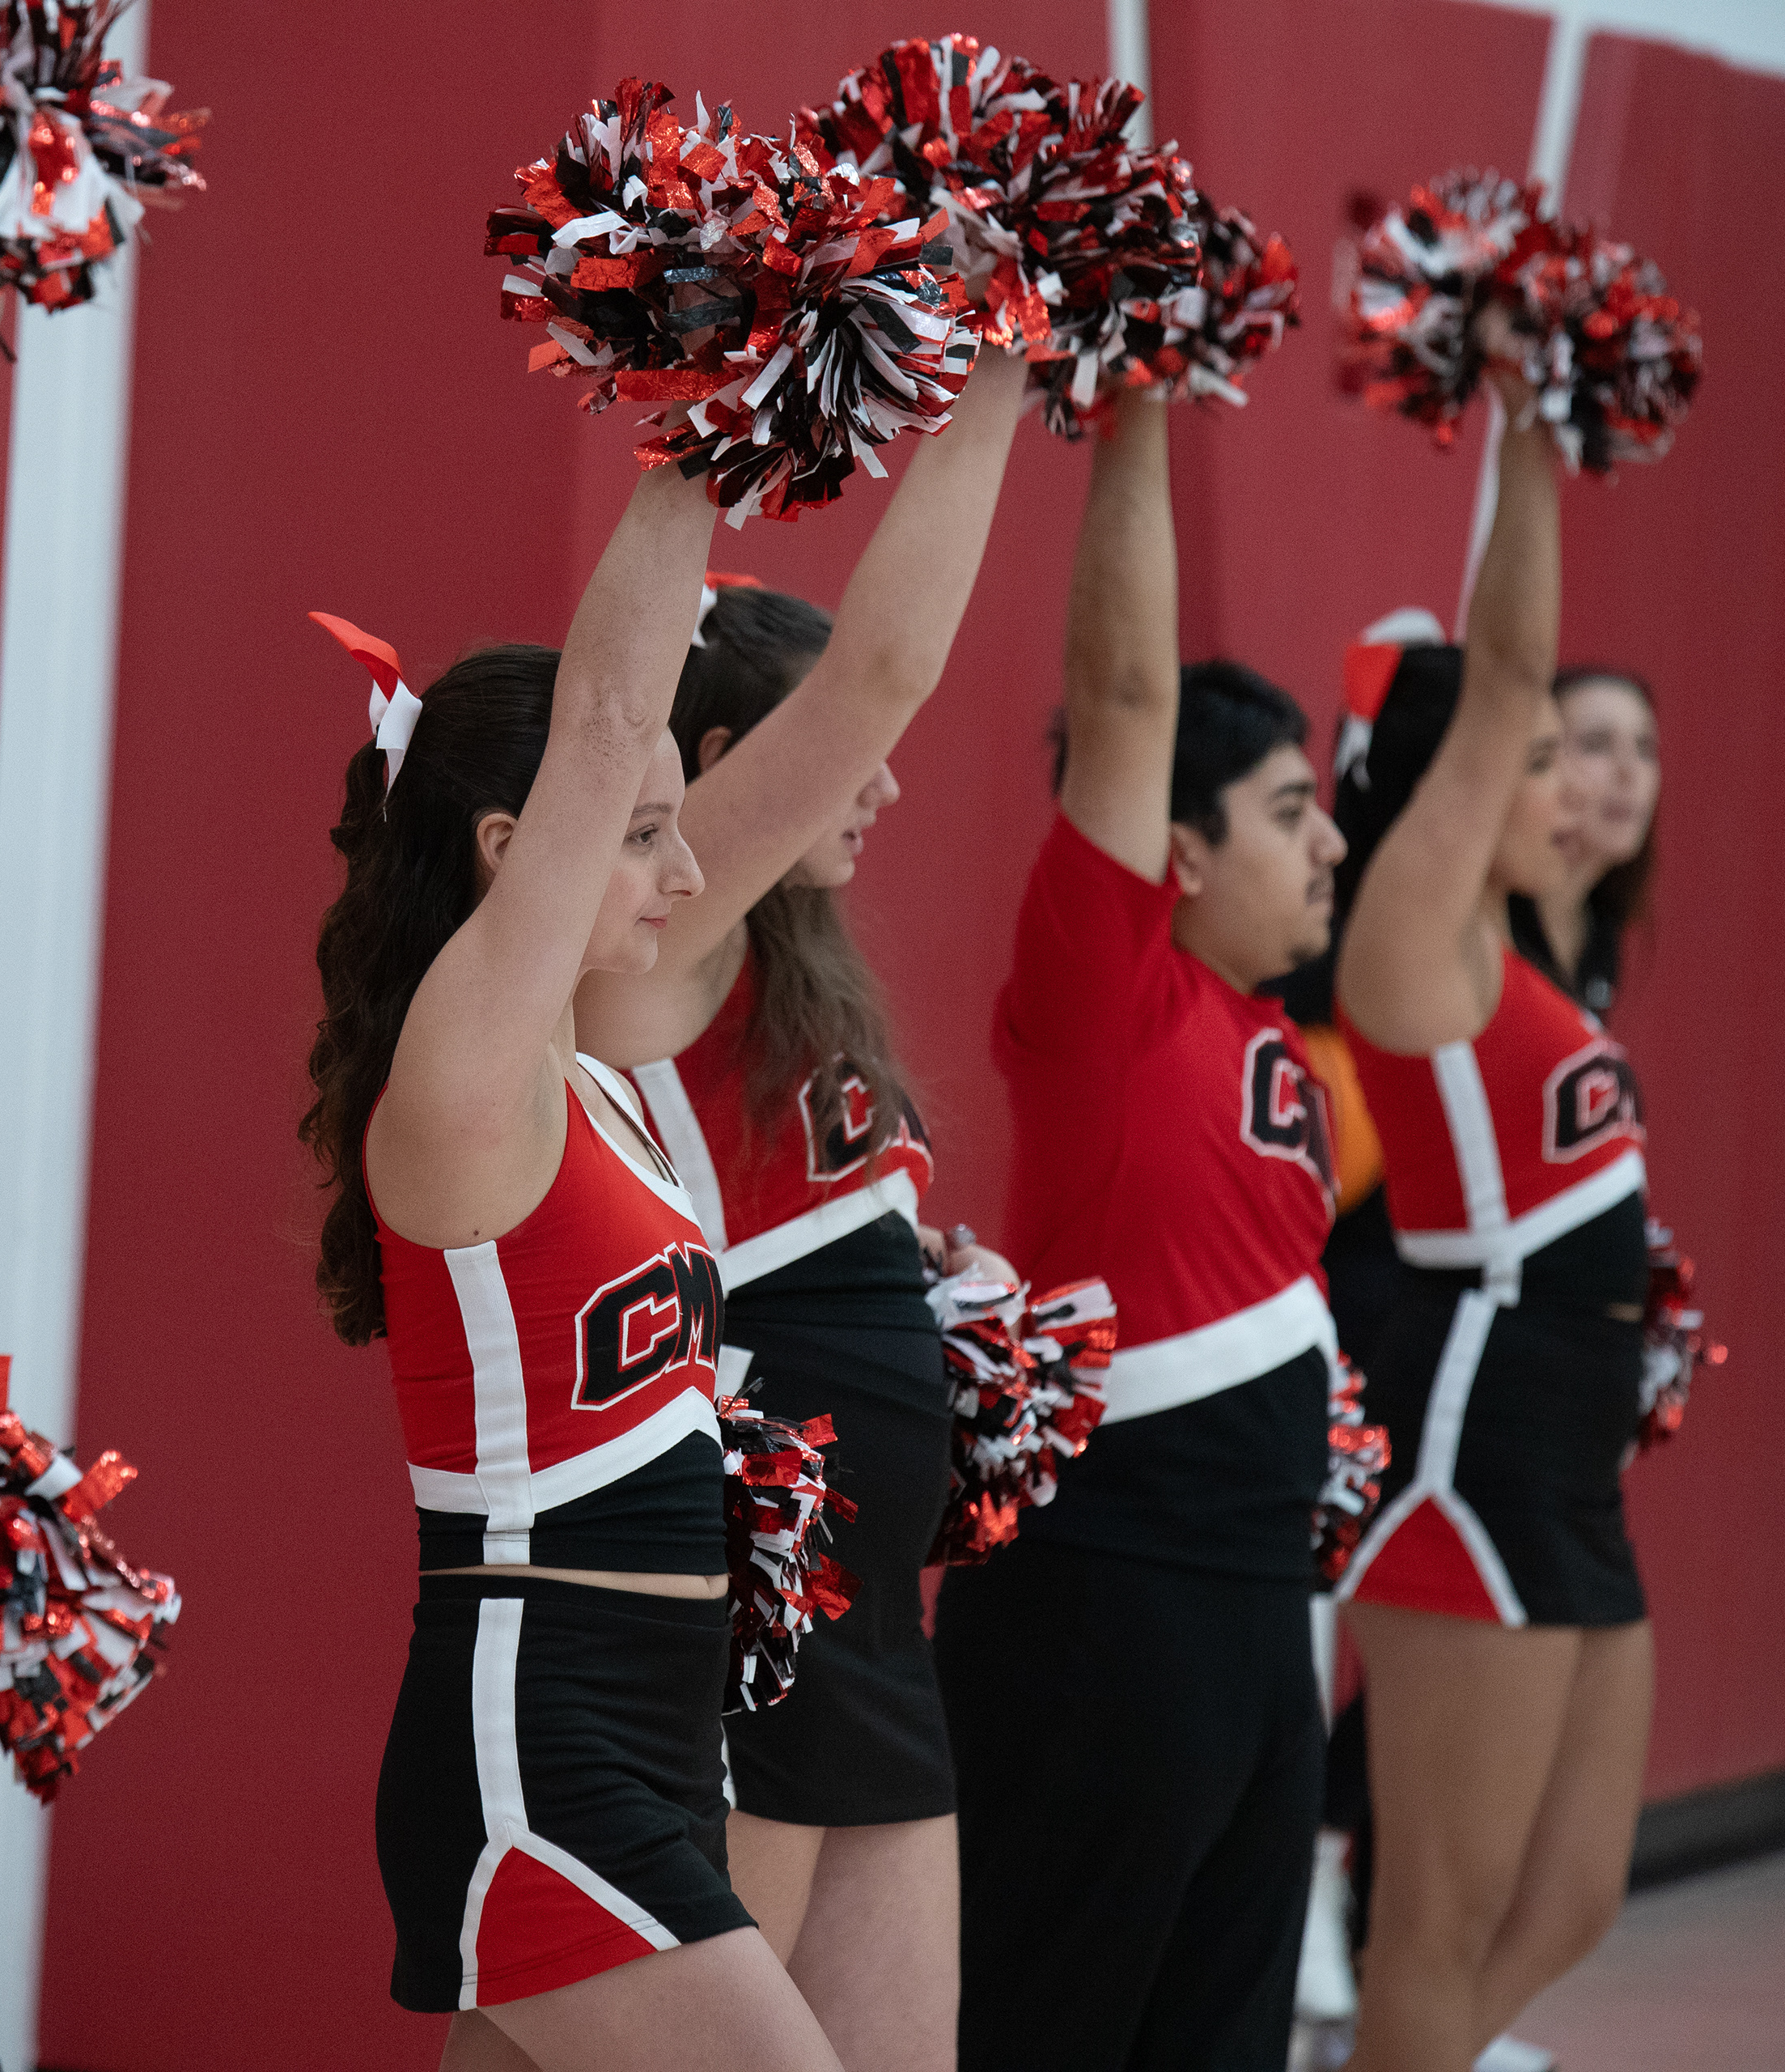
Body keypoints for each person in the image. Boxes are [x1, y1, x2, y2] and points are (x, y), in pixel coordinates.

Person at [302, 454, 854, 2072]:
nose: (688, 876)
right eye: (644, 835)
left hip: (653, 1727)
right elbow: (609, 717)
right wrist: (697, 437)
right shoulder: (466, 1077)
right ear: (513, 846)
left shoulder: (598, 1083)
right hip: (538, 1722)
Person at [567, 349, 1028, 2072]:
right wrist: (1003, 358)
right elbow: (887, 672)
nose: (881, 781)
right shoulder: (662, 951)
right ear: (716, 769)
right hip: (760, 1598)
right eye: (841, 754)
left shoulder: (801, 968)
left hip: (877, 1611)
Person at [931, 391, 1349, 2070]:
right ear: (1177, 846)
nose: (1330, 840)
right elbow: (1124, 696)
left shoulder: (1278, 1040)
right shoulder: (1107, 999)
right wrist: (1138, 401)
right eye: (1292, 808)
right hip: (1110, 1602)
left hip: (1258, 1615)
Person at [1329, 382, 1652, 2072]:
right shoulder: (1417, 935)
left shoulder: (1529, 954)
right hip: (1478, 1406)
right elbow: (1511, 667)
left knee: (1577, 1893)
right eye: (1532, 764)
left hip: (1571, 1434)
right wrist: (1536, 411)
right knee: (1435, 1919)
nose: (1564, 788)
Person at [1507, 666, 1661, 1017]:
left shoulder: (1601, 923)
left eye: (1645, 748)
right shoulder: (1486, 918)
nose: (1629, 772)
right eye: (1596, 744)